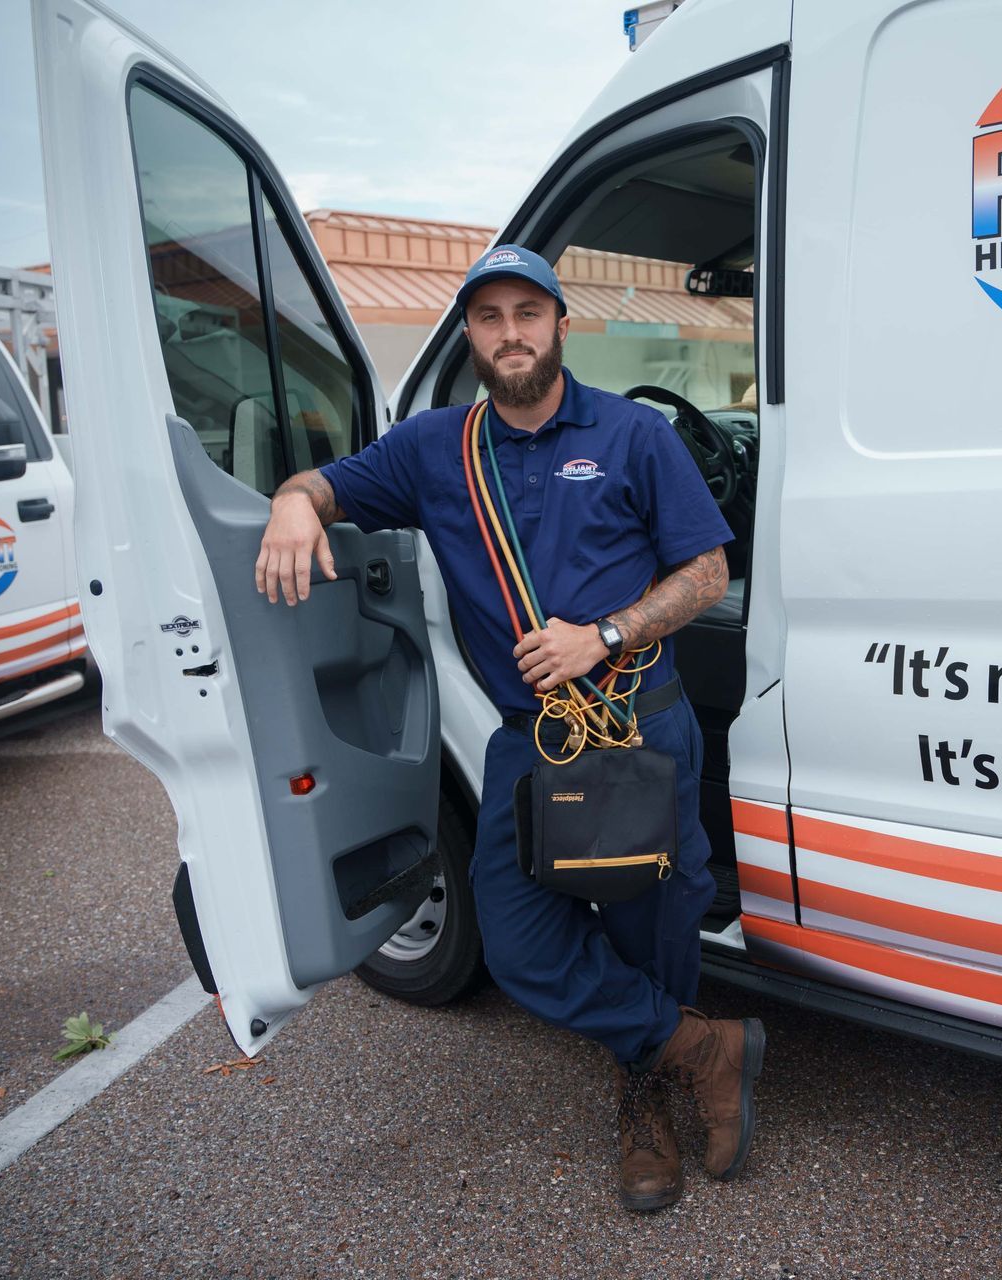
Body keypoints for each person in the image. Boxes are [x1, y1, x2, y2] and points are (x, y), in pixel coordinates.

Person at [253, 244, 764, 1214]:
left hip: (634, 724)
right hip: (529, 737)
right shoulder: (433, 446)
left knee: (652, 930)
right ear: (471, 335)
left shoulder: (633, 434)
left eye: (529, 311)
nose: (511, 332)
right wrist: (291, 500)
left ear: (562, 323)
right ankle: (704, 1046)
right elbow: (332, 483)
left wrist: (603, 633)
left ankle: (645, 1098)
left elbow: (704, 575)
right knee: (523, 942)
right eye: (489, 317)